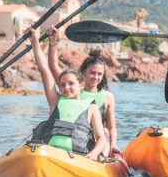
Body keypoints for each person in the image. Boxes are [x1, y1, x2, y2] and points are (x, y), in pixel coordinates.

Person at [26, 27, 109, 160]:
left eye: (71, 84)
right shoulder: (55, 101)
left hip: (77, 158)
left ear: (81, 85)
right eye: (62, 84)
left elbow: (101, 138)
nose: (66, 87)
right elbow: (45, 71)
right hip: (50, 155)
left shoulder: (92, 107)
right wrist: (35, 40)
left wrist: (93, 154)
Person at [47, 26, 118, 157]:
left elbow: (111, 127)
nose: (96, 77)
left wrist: (113, 145)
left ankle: (101, 159)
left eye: (99, 74)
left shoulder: (108, 97)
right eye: (92, 73)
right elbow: (52, 67)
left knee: (105, 131)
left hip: (97, 141)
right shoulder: (72, 89)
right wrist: (52, 43)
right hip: (75, 137)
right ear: (83, 72)